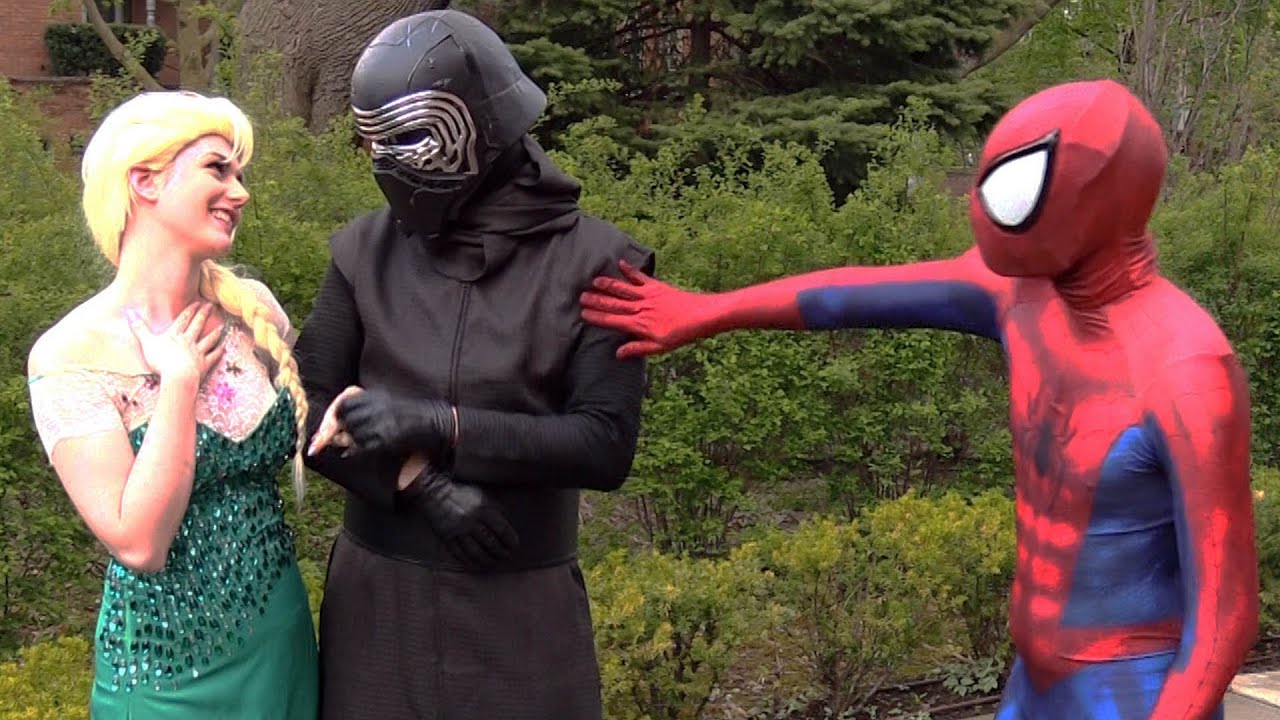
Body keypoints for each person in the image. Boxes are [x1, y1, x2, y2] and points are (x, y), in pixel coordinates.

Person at [581, 79, 1256, 719]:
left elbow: (1224, 616)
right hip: (1037, 678)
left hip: (1135, 689)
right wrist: (706, 311)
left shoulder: (1187, 369)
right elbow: (852, 295)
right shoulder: (1019, 295)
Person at [294, 8, 654, 719]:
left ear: (481, 123)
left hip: (522, 614)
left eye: (407, 137)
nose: (385, 163)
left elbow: (605, 442)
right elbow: (303, 403)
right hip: (378, 611)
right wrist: (419, 483)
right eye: (373, 143)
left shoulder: (599, 263)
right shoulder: (365, 252)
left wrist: (444, 424)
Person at [26, 91, 318, 718]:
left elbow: (320, 428)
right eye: (218, 169)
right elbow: (140, 544)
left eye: (240, 174)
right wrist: (180, 382)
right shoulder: (69, 354)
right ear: (145, 181)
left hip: (284, 645)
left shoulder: (254, 311)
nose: (240, 192)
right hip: (164, 676)